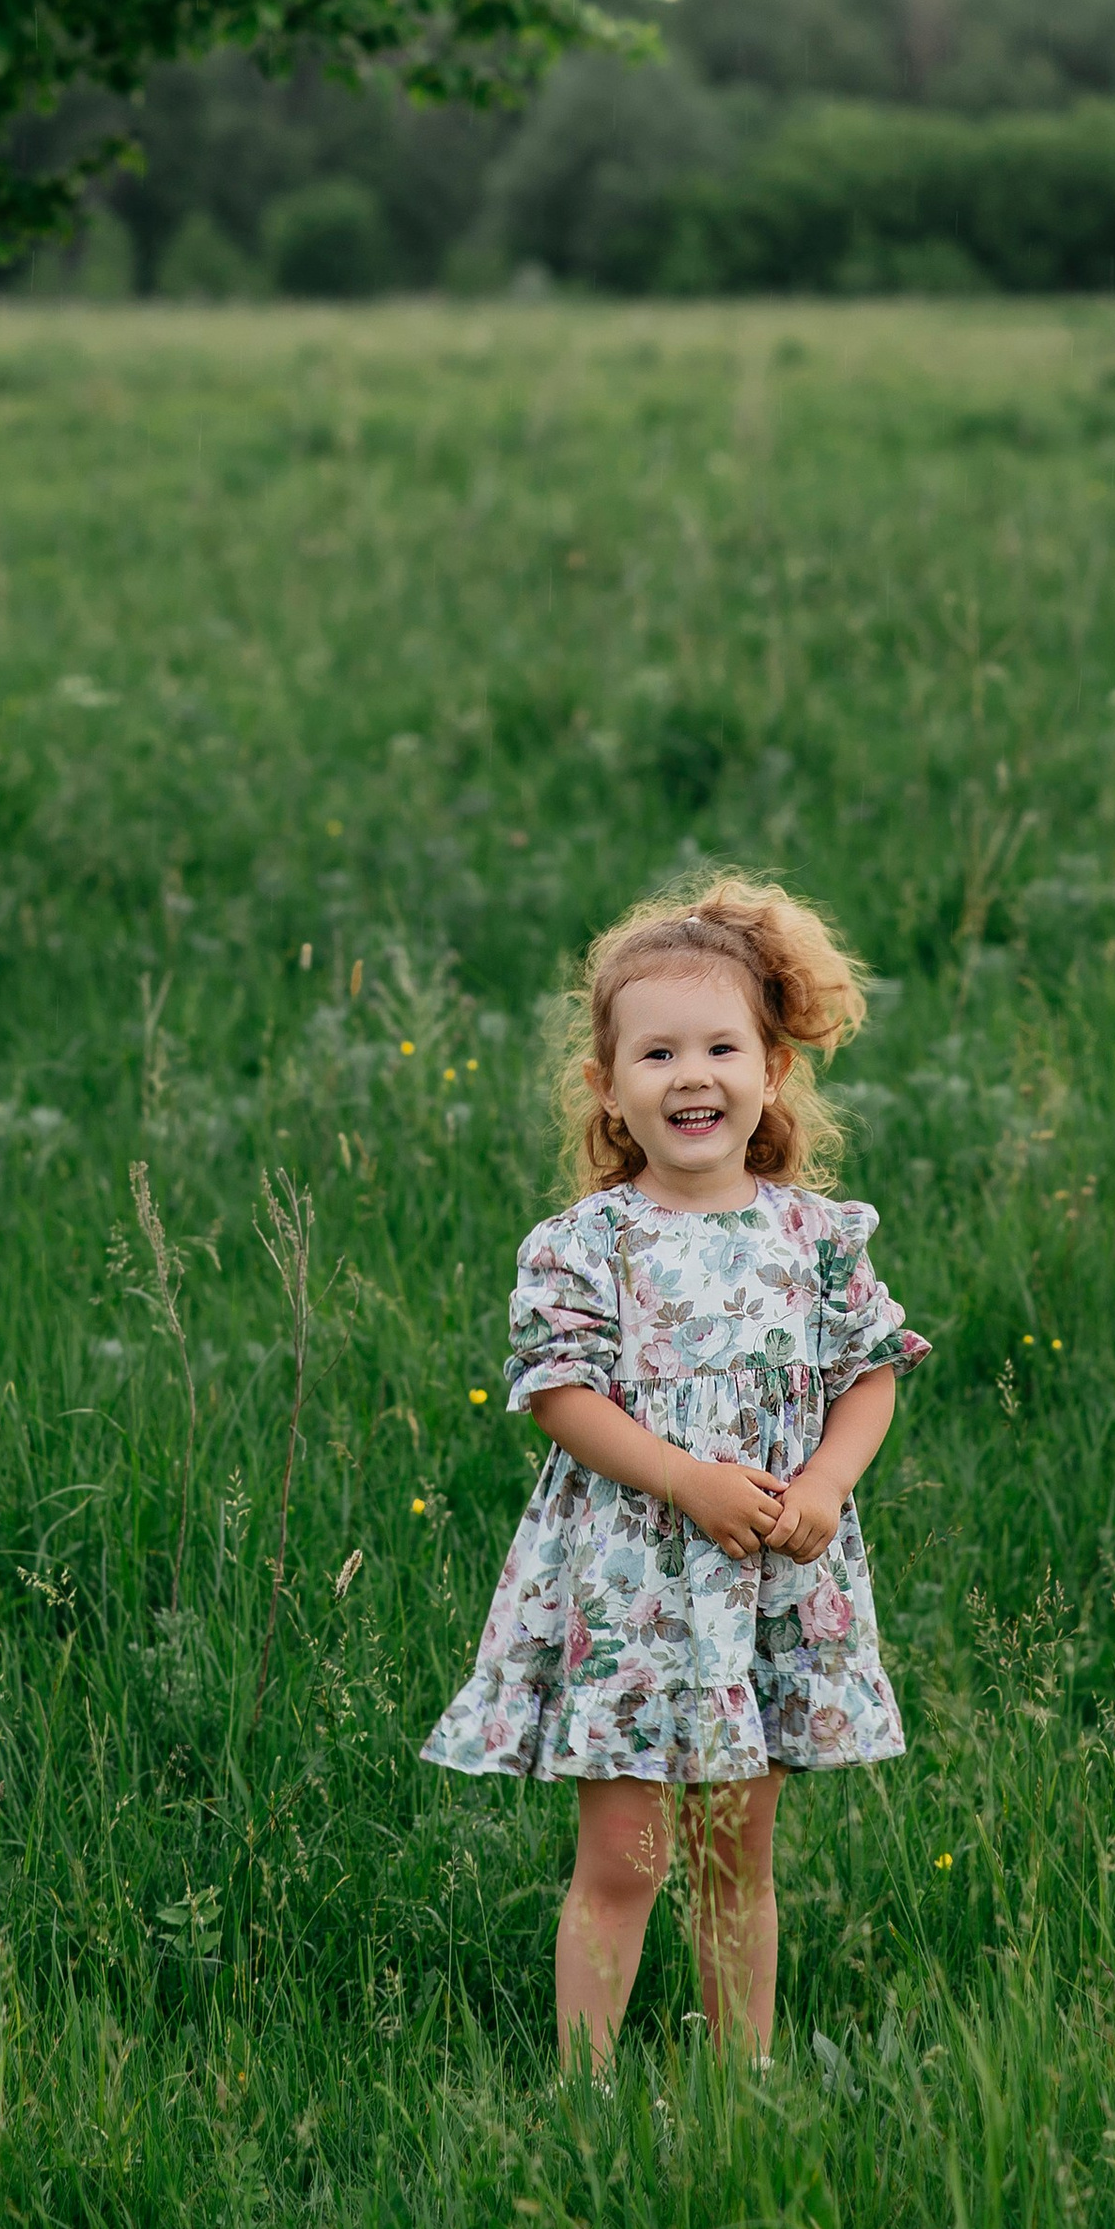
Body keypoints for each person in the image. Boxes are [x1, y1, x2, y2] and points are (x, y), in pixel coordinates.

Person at [421, 875, 930, 2067]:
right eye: (655, 1051)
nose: (689, 1074)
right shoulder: (584, 1242)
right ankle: (586, 2097)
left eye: (719, 1045)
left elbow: (872, 1374)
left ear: (770, 1072)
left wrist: (823, 1486)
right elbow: (557, 1392)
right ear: (607, 1086)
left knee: (733, 1858)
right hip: (631, 1589)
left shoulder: (816, 1237)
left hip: (762, 1578)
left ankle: (740, 2087)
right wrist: (685, 1478)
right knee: (623, 1859)